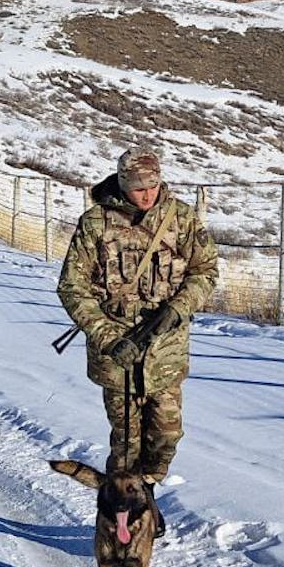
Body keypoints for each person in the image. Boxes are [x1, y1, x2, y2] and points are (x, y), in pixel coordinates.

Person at [57, 147, 217, 536]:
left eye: (152, 186)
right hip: (118, 359)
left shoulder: (181, 218)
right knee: (126, 445)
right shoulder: (96, 222)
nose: (146, 195)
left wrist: (180, 306)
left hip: (165, 352)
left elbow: (206, 271)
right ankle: (121, 518)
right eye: (137, 188)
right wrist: (109, 338)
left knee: (165, 435)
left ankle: (146, 489)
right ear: (122, 185)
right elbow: (71, 287)